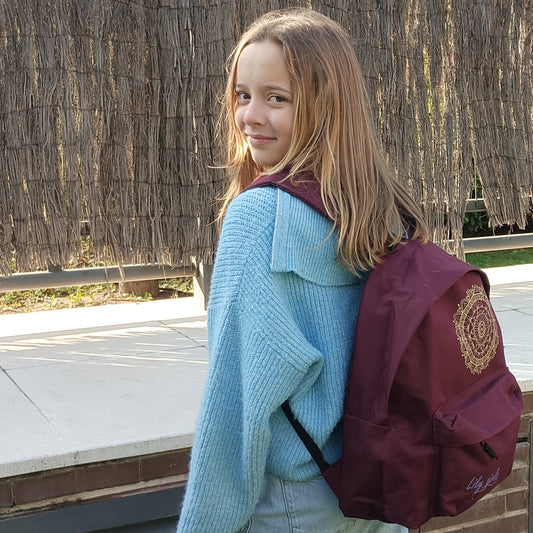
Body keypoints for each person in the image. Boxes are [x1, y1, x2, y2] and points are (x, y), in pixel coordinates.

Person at [176, 8, 428, 533]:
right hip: (374, 487)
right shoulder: (382, 208)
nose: (249, 116)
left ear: (327, 107)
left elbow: (235, 405)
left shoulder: (259, 217)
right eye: (243, 95)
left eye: (277, 98)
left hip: (293, 503)